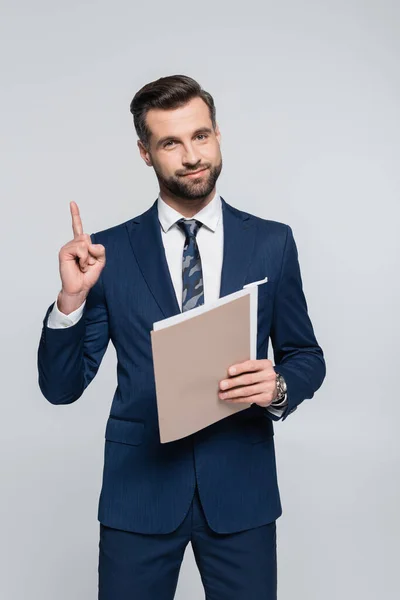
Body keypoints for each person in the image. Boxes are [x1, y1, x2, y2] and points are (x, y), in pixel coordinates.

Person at [37, 74, 326, 600]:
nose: (192, 155)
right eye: (171, 142)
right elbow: (61, 387)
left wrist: (279, 385)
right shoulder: (107, 254)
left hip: (242, 489)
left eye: (201, 136)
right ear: (146, 153)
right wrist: (71, 302)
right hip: (138, 492)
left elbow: (306, 355)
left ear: (217, 135)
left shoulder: (272, 243)